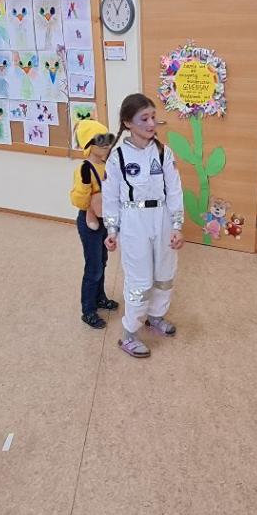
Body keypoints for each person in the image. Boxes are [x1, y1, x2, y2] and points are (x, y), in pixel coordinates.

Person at [101, 93, 184, 358]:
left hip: (161, 217)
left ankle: (156, 316)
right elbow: (110, 197)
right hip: (133, 221)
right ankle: (130, 333)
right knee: (140, 279)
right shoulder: (117, 157)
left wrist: (177, 225)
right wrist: (111, 230)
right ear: (128, 123)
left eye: (153, 117)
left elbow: (174, 191)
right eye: (144, 119)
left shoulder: (163, 152)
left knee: (164, 274)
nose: (151, 124)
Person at [69, 118, 119, 329]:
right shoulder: (84, 168)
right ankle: (88, 310)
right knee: (94, 267)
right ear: (89, 144)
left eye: (108, 139)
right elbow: (79, 201)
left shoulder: (106, 165)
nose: (106, 144)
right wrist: (85, 188)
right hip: (88, 221)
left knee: (103, 261)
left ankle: (100, 298)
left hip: (104, 219)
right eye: (101, 140)